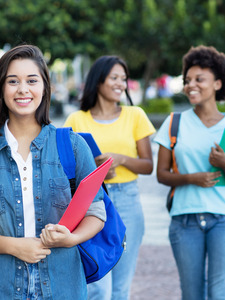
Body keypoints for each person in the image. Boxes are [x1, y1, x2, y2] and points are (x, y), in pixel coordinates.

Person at [0, 44, 106, 300]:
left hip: (62, 285)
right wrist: (14, 246)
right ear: (0, 88)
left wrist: (71, 238)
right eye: (13, 81)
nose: (23, 89)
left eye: (32, 80)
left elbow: (96, 211)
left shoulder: (73, 146)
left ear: (45, 87)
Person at [153, 45, 225, 300]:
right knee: (191, 294)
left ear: (218, 83)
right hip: (184, 220)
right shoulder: (174, 122)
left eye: (200, 79)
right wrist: (192, 178)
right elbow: (161, 175)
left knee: (220, 292)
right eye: (188, 80)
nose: (191, 85)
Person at [64, 55, 156, 300]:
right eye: (114, 77)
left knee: (120, 288)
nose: (121, 84)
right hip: (91, 202)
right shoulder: (76, 119)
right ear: (98, 81)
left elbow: (148, 166)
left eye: (124, 79)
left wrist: (121, 160)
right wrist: (93, 169)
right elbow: (66, 168)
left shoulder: (135, 115)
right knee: (97, 285)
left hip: (127, 199)